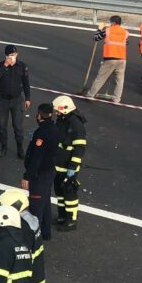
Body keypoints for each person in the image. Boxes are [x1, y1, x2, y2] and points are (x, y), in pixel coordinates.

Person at [21, 104, 61, 241]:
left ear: (39, 114)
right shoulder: (54, 128)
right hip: (49, 171)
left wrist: (27, 176)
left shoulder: (42, 133)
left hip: (40, 175)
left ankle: (34, 236)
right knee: (45, 202)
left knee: (36, 205)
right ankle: (45, 232)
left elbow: (37, 157)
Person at [52, 95, 87, 231]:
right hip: (59, 163)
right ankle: (62, 216)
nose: (56, 113)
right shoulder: (62, 119)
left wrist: (73, 167)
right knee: (59, 191)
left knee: (69, 193)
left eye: (58, 110)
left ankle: (71, 220)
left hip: (68, 165)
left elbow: (79, 148)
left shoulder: (76, 125)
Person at [0, 44, 31, 158]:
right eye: (10, 55)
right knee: (2, 126)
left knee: (18, 126)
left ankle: (20, 149)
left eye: (14, 54)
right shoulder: (0, 65)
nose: (13, 57)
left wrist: (27, 98)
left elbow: (26, 83)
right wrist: (5, 65)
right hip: (3, 100)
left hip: (17, 100)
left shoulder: (22, 66)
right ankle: (4, 148)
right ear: (6, 56)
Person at [84, 16, 128, 104]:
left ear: (114, 22)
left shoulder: (107, 30)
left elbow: (96, 38)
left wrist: (99, 29)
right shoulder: (125, 32)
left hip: (110, 58)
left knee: (100, 78)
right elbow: (126, 43)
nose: (110, 23)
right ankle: (116, 99)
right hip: (122, 59)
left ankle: (90, 95)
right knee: (120, 80)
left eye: (110, 22)